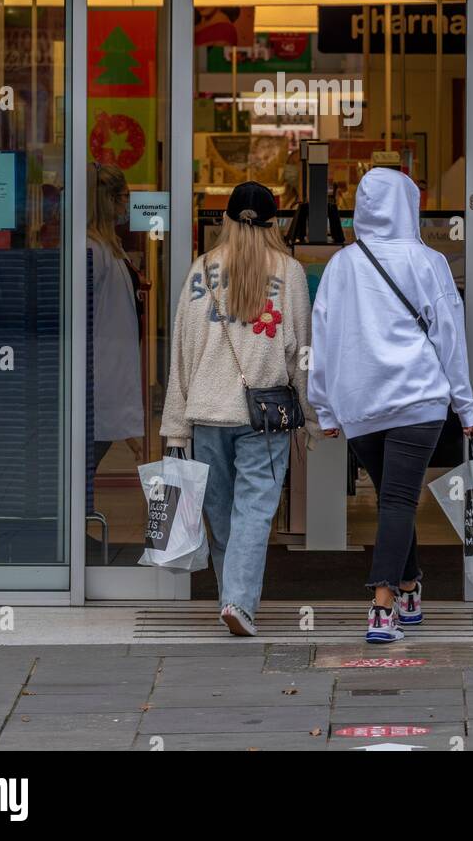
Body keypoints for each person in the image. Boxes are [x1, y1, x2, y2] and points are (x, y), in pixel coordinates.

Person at [308, 167, 473, 643]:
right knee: (398, 501)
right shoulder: (428, 261)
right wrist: (466, 408)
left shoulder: (342, 265)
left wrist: (324, 406)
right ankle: (389, 601)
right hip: (418, 399)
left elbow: (323, 338)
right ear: (410, 206)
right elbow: (451, 339)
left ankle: (404, 592)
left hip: (360, 404)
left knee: (394, 498)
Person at [162, 181, 321, 636]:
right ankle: (237, 602)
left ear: (227, 220)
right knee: (254, 511)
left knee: (222, 515)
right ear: (276, 225)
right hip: (264, 415)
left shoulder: (199, 271)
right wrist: (311, 417)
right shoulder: (289, 273)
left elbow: (182, 354)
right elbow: (300, 353)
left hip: (207, 413)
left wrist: (175, 427)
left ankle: (233, 601)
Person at [87, 162, 147, 471]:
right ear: (108, 200)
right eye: (124, 196)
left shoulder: (109, 247)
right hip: (103, 369)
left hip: (113, 366)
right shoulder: (93, 250)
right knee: (86, 461)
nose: (127, 204)